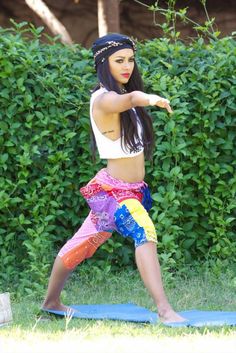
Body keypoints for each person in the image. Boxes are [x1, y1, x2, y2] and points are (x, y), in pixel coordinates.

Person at [42, 33, 185, 323]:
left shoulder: (121, 100)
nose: (127, 66)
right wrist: (151, 98)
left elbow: (130, 98)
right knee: (144, 231)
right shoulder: (105, 99)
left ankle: (51, 302)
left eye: (131, 60)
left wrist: (139, 99)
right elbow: (132, 96)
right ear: (103, 63)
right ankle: (165, 310)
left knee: (83, 241)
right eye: (119, 60)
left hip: (128, 189)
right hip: (114, 193)